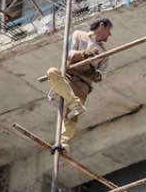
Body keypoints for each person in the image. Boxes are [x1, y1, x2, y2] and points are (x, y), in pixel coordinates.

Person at [46, 17, 112, 150]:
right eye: (109, 30)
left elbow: (102, 75)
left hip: (83, 85)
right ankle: (74, 102)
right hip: (69, 75)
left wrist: (92, 73)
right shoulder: (79, 35)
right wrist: (84, 54)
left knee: (71, 115)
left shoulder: (104, 53)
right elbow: (69, 55)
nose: (110, 34)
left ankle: (63, 142)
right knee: (52, 72)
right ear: (101, 26)